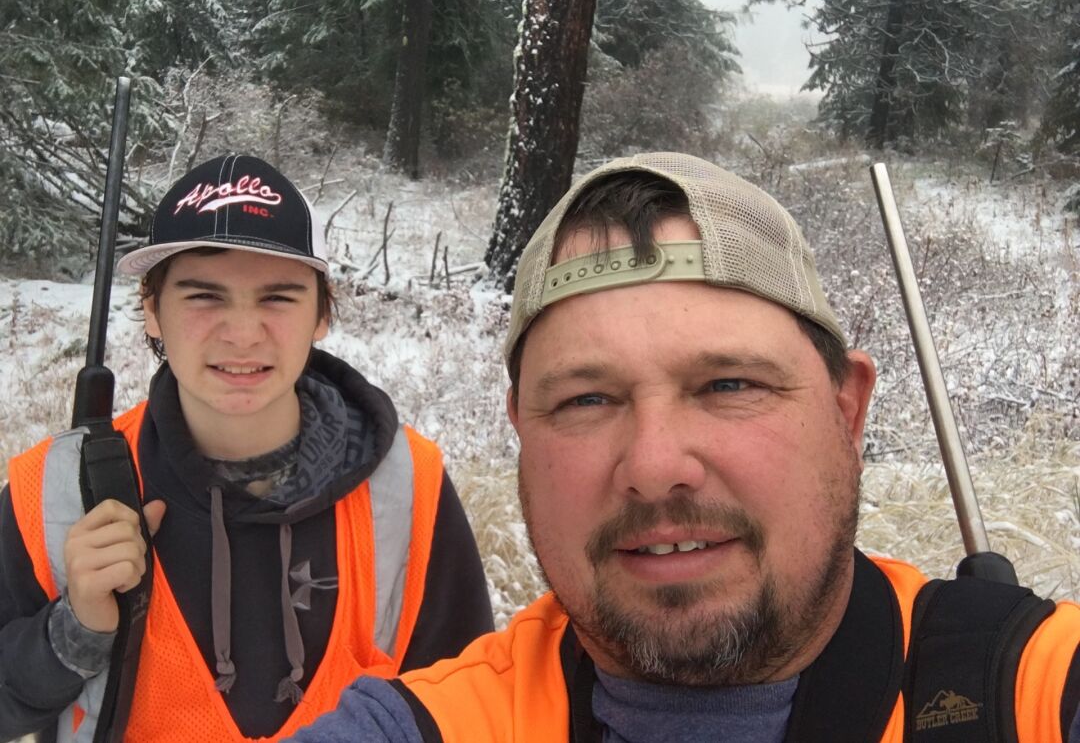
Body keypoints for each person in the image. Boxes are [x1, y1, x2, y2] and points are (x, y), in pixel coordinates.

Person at [288, 152, 1080, 743]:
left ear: (848, 410)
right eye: (586, 399)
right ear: (521, 431)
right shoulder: (430, 726)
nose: (656, 465)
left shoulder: (1037, 693)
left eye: (729, 384)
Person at [0, 154, 493, 742]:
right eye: (204, 297)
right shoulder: (54, 493)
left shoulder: (409, 487)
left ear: (322, 313)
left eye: (277, 298)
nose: (241, 334)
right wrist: (72, 633)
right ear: (152, 310)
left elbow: (470, 708)